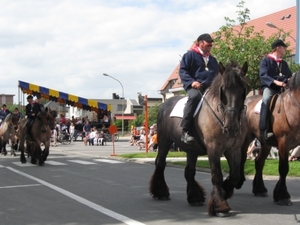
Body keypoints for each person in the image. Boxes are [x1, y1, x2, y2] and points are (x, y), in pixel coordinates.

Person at [179, 33, 219, 143]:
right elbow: (183, 71)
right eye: (208, 43)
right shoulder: (189, 55)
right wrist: (192, 82)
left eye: (211, 44)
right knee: (194, 97)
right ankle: (185, 131)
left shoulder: (213, 59)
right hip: (196, 87)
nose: (211, 45)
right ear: (200, 43)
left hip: (211, 87)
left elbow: (217, 75)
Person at [259, 39, 292, 142]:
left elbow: (289, 76)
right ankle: (263, 129)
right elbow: (263, 75)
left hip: (284, 89)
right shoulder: (265, 61)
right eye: (284, 47)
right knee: (266, 100)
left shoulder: (284, 63)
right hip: (270, 88)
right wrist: (276, 82)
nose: (285, 49)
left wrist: (290, 80)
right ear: (278, 48)